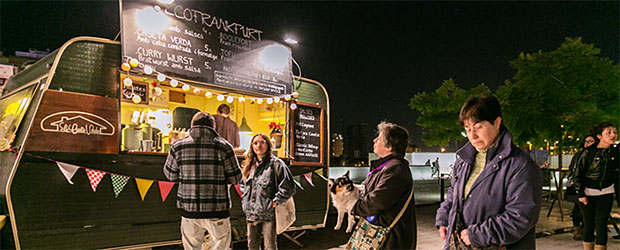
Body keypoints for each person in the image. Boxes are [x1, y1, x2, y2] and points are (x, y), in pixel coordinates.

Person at [435, 95, 542, 249]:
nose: (472, 135)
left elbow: (521, 217)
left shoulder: (520, 166)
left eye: (479, 127)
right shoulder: (463, 160)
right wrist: (444, 217)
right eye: (467, 129)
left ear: (497, 122)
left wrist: (478, 235)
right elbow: (454, 194)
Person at [163, 112, 242, 250]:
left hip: (189, 210)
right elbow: (236, 178)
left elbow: (170, 175)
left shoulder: (178, 146)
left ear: (192, 125)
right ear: (213, 126)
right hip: (217, 210)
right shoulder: (224, 146)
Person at [350, 121, 417, 249]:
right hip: (380, 236)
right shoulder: (383, 168)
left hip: (391, 240)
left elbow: (377, 201)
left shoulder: (396, 169)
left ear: (389, 146)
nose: (374, 140)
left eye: (379, 138)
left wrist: (353, 207)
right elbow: (364, 191)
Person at [240, 133, 296, 250]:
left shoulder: (276, 164)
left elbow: (288, 187)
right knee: (252, 246)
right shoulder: (249, 165)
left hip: (269, 214)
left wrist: (275, 202)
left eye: (262, 142)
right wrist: (245, 200)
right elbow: (243, 185)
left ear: (268, 145)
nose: (258, 145)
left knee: (270, 246)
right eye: (255, 143)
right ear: (252, 146)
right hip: (251, 213)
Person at [573, 122, 619, 250]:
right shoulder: (588, 152)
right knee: (588, 225)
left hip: (606, 193)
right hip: (587, 194)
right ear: (599, 135)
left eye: (614, 132)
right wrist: (581, 194)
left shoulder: (615, 153)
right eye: (608, 132)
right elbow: (576, 174)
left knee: (601, 224)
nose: (613, 135)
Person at [566, 134, 597, 240]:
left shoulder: (597, 154)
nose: (588, 143)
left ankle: (586, 229)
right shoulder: (580, 155)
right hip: (578, 186)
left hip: (591, 187)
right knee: (578, 208)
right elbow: (574, 171)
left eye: (591, 141)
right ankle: (578, 229)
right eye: (586, 141)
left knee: (587, 208)